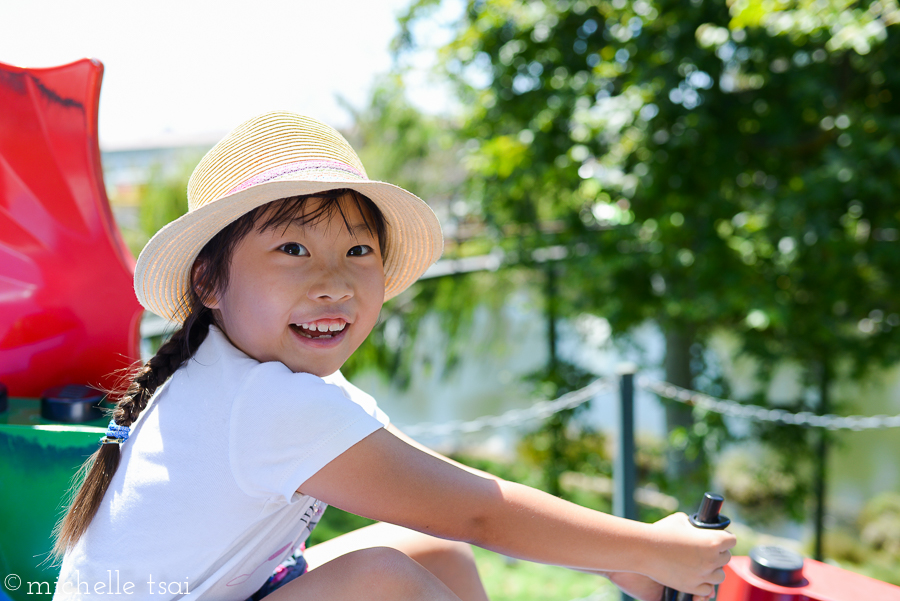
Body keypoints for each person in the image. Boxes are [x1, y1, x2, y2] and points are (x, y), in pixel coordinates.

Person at [51, 111, 735, 601]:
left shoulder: (247, 374)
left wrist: (618, 557)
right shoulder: (267, 401)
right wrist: (654, 549)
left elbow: (437, 484)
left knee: (431, 551)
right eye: (293, 249)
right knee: (382, 576)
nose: (334, 280)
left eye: (358, 251)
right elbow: (479, 510)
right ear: (209, 283)